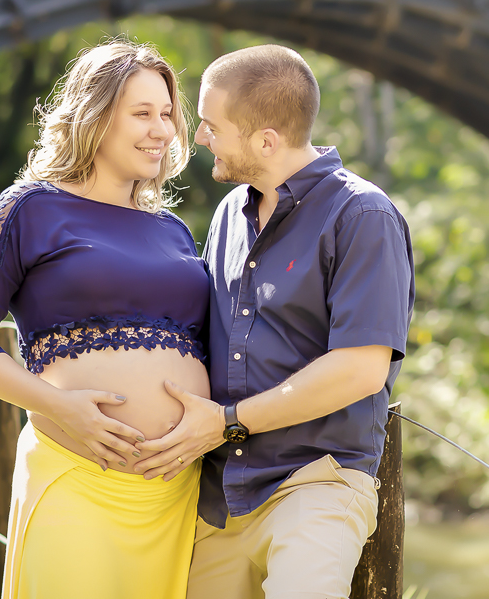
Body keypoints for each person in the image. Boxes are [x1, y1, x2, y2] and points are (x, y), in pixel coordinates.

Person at [130, 44, 415, 599]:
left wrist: (228, 421)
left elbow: (361, 370)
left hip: (317, 480)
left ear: (265, 140)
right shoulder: (227, 215)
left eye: (212, 125)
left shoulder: (363, 216)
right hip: (220, 494)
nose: (200, 137)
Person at [0, 41, 210, 599]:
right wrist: (59, 406)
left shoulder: (174, 231)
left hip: (175, 491)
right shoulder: (26, 208)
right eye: (142, 113)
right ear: (94, 114)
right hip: (76, 478)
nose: (162, 130)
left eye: (167, 114)